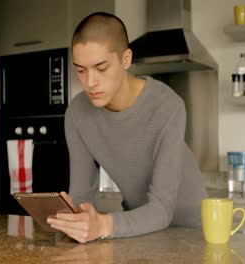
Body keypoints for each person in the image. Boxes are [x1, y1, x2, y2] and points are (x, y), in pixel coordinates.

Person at [47, 12, 207, 243]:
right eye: (81, 70)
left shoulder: (167, 105)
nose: (90, 82)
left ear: (126, 59)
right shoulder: (77, 114)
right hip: (137, 228)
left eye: (101, 68)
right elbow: (82, 197)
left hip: (192, 231)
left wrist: (104, 224)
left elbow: (162, 209)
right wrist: (72, 217)